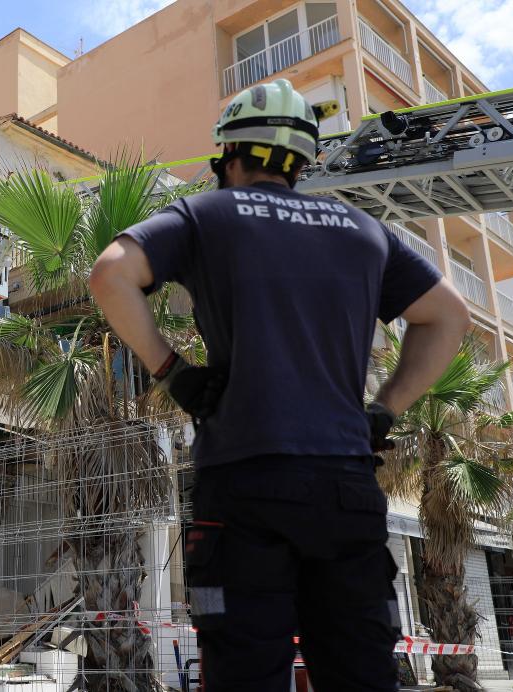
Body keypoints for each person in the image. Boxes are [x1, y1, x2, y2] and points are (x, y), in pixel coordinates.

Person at [88, 79, 470, 692]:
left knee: (246, 670)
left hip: (244, 477)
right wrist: (384, 411)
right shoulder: (364, 228)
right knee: (362, 671)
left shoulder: (204, 214)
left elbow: (110, 274)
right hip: (346, 483)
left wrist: (173, 371)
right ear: (302, 160)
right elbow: (449, 316)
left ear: (228, 156)